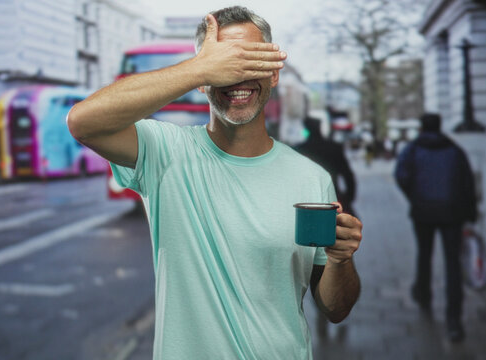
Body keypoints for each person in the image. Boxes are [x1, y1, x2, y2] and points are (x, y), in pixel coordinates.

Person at [67, 6, 363, 359]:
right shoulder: (165, 151)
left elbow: (335, 308)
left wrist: (341, 260)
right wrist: (198, 68)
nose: (237, 78)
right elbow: (83, 122)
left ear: (273, 73)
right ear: (205, 78)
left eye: (249, 62)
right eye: (225, 64)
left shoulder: (311, 178)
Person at [394, 113, 477, 343]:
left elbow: (401, 175)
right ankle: (454, 320)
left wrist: (414, 196)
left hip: (423, 210)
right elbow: (467, 182)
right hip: (452, 212)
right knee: (453, 263)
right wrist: (470, 213)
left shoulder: (412, 149)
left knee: (424, 254)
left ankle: (424, 293)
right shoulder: (455, 150)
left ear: (421, 127)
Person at [295, 116, 358, 340]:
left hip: (307, 209)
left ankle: (322, 302)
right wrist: (350, 198)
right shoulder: (333, 147)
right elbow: (348, 175)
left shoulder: (299, 149)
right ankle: (329, 300)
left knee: (311, 258)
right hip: (333, 206)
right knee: (336, 254)